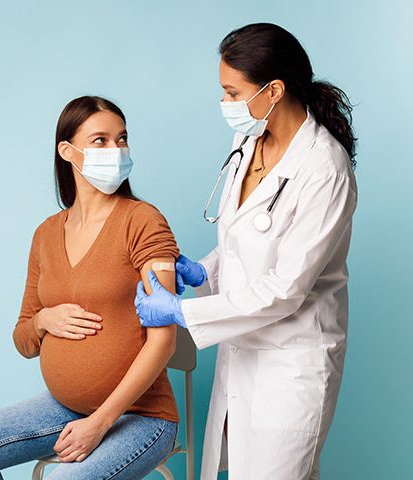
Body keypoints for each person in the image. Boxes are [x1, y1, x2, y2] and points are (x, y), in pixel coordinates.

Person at [135, 23, 358, 479]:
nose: (225, 103)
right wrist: (205, 271)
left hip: (292, 363)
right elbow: (244, 244)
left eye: (233, 92)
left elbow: (286, 289)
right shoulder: (248, 141)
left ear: (273, 90)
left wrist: (182, 312)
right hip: (243, 355)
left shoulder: (324, 169)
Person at [0, 96, 180, 479]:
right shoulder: (46, 234)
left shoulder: (143, 221)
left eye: (122, 139)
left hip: (141, 415)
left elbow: (164, 341)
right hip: (65, 409)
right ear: (67, 151)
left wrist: (100, 423)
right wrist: (44, 320)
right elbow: (23, 340)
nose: (116, 150)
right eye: (100, 140)